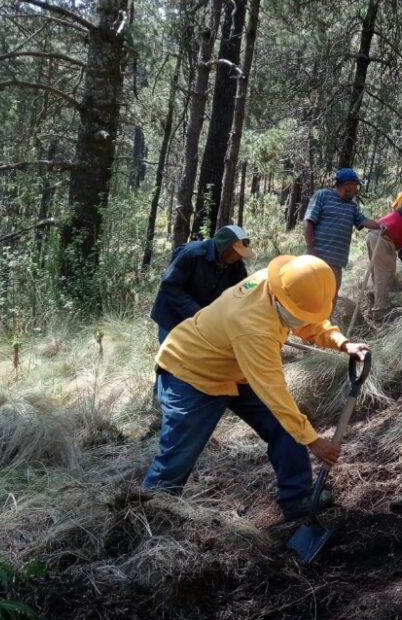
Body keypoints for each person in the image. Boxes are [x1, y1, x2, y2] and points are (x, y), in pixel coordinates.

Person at [142, 254, 371, 521]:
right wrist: (313, 440)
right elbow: (274, 391)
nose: (300, 321)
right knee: (177, 457)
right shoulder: (253, 326)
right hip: (190, 372)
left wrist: (342, 343)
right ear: (281, 300)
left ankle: (296, 498)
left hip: (236, 366)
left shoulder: (283, 283)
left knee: (286, 426)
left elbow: (309, 318)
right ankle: (148, 517)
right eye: (296, 316)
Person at [151, 224, 255, 344]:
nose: (239, 256)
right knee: (170, 358)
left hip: (201, 320)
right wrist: (197, 311)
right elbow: (169, 286)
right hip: (172, 316)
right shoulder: (192, 254)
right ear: (224, 246)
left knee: (194, 359)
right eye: (236, 251)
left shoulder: (236, 265)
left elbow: (243, 289)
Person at [303, 168, 384, 308]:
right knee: (308, 298)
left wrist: (380, 226)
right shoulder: (322, 195)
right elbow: (308, 221)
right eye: (355, 185)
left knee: (329, 303)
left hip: (336, 265)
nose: (356, 190)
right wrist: (311, 249)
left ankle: (322, 329)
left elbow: (363, 221)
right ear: (348, 184)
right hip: (316, 259)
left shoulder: (352, 206)